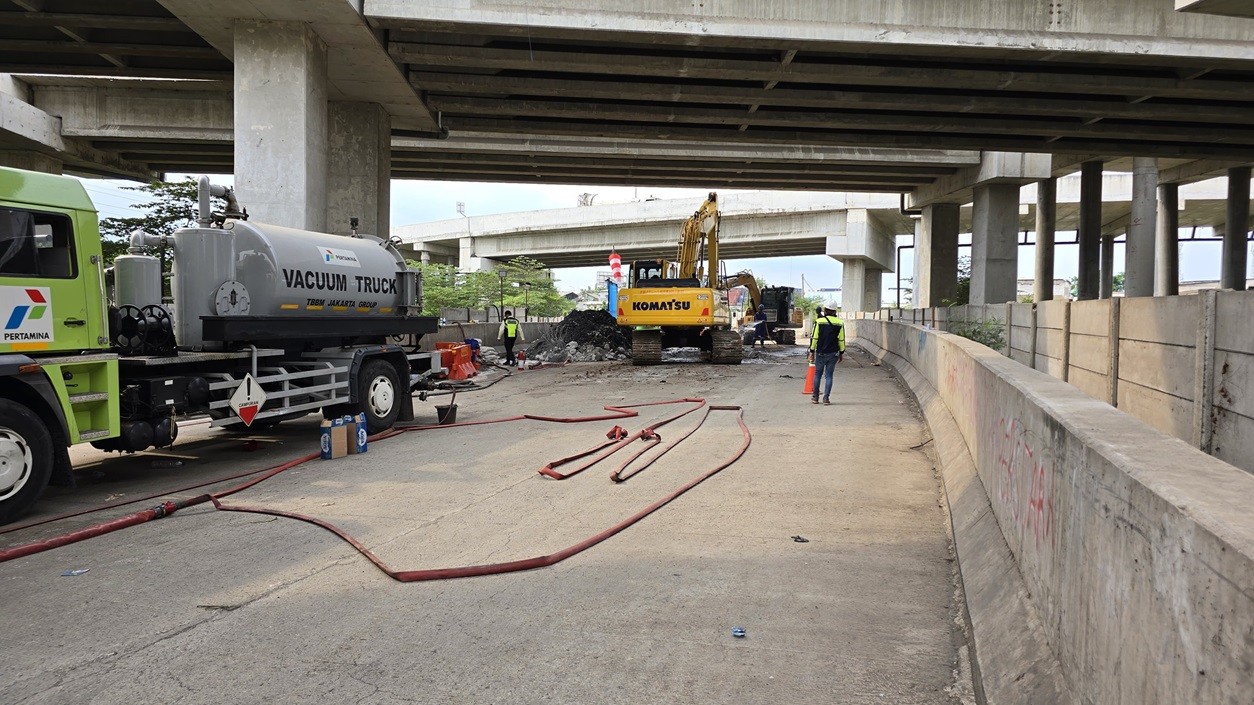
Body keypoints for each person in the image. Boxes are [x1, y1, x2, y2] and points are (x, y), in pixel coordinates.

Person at [808, 306, 845, 405]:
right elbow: (841, 339)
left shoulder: (819, 322)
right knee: (829, 376)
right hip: (833, 353)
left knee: (817, 375)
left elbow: (815, 337)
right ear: (835, 311)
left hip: (820, 352)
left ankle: (815, 397)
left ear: (825, 311)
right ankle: (826, 399)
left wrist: (811, 351)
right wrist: (842, 352)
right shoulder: (840, 323)